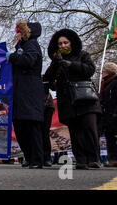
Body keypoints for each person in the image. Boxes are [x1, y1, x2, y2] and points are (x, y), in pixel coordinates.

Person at [44, 28, 102, 170]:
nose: (63, 45)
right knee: (75, 132)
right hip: (68, 101)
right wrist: (55, 65)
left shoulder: (82, 55)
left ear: (72, 43)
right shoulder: (56, 60)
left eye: (66, 42)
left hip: (85, 99)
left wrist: (71, 65)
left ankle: (94, 158)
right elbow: (48, 79)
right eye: (60, 43)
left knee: (89, 129)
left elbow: (90, 69)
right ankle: (81, 160)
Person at [6, 20, 45, 169]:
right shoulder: (22, 47)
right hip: (20, 92)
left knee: (31, 126)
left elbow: (29, 60)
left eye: (17, 32)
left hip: (29, 92)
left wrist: (12, 57)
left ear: (23, 32)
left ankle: (36, 159)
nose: (15, 35)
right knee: (21, 126)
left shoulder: (31, 45)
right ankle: (29, 157)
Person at [99, 62, 117, 167]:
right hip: (108, 115)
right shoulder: (106, 84)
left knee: (113, 137)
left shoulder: (114, 83)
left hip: (113, 114)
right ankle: (113, 159)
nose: (102, 73)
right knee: (110, 137)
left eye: (103, 72)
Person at [42, 80, 55, 167]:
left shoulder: (48, 72)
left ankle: (46, 157)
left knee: (44, 132)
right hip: (32, 102)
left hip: (46, 104)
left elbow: (53, 86)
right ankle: (32, 156)